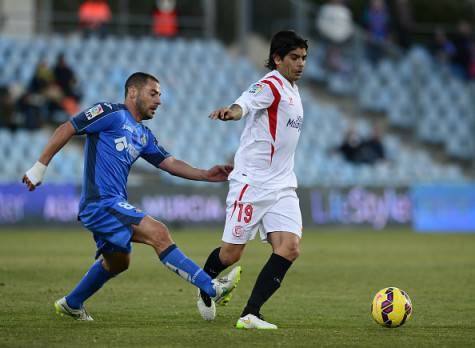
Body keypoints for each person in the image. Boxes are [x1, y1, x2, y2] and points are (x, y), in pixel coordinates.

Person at [22, 72, 241, 321]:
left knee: (118, 263)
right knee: (159, 233)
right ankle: (212, 288)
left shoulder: (143, 135)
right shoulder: (110, 113)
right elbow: (68, 127)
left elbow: (169, 163)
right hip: (101, 203)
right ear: (133, 92)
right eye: (153, 93)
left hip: (113, 204)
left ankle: (71, 303)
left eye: (160, 95)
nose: (159, 100)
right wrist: (39, 167)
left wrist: (205, 174)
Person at [196, 30, 308, 330]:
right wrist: (230, 113)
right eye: (294, 58)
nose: (300, 64)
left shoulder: (294, 91)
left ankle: (251, 314)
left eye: (304, 58)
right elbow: (245, 102)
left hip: (282, 184)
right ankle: (203, 281)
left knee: (290, 247)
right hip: (252, 182)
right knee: (231, 254)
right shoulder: (271, 84)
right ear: (277, 59)